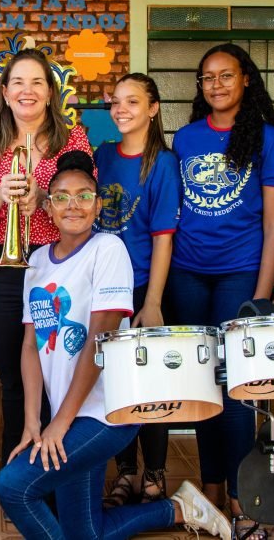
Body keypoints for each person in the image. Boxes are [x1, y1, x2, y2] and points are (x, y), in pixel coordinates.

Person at [0, 150, 231, 540]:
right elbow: (31, 346)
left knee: (13, 487)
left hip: (106, 414)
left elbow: (99, 340)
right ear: (47, 208)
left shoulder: (108, 250)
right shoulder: (35, 260)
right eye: (62, 197)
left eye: (85, 195)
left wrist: (62, 422)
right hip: (66, 415)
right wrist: (33, 422)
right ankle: (179, 508)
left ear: (98, 205)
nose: (74, 205)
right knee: (85, 531)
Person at [166, 43, 274, 538]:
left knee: (238, 388)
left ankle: (244, 499)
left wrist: (260, 297)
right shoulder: (187, 139)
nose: (216, 84)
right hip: (187, 272)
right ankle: (212, 491)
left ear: (245, 81)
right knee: (202, 386)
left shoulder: (268, 138)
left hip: (240, 272)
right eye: (207, 78)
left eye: (226, 75)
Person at [0, 48, 93, 469]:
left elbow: (85, 208)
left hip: (57, 266)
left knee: (59, 373)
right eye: (18, 81)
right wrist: (1, 193)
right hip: (0, 272)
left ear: (51, 93)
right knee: (13, 380)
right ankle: (19, 471)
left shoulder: (74, 141)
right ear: (4, 91)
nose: (27, 90)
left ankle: (59, 469)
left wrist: (47, 201)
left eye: (37, 82)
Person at [94, 73, 180, 506]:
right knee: (116, 385)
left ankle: (155, 473)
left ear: (153, 108)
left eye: (132, 101)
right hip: (105, 289)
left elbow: (164, 237)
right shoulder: (103, 154)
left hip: (143, 285)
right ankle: (125, 472)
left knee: (150, 385)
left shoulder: (161, 163)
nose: (121, 109)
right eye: (115, 102)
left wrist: (152, 301)